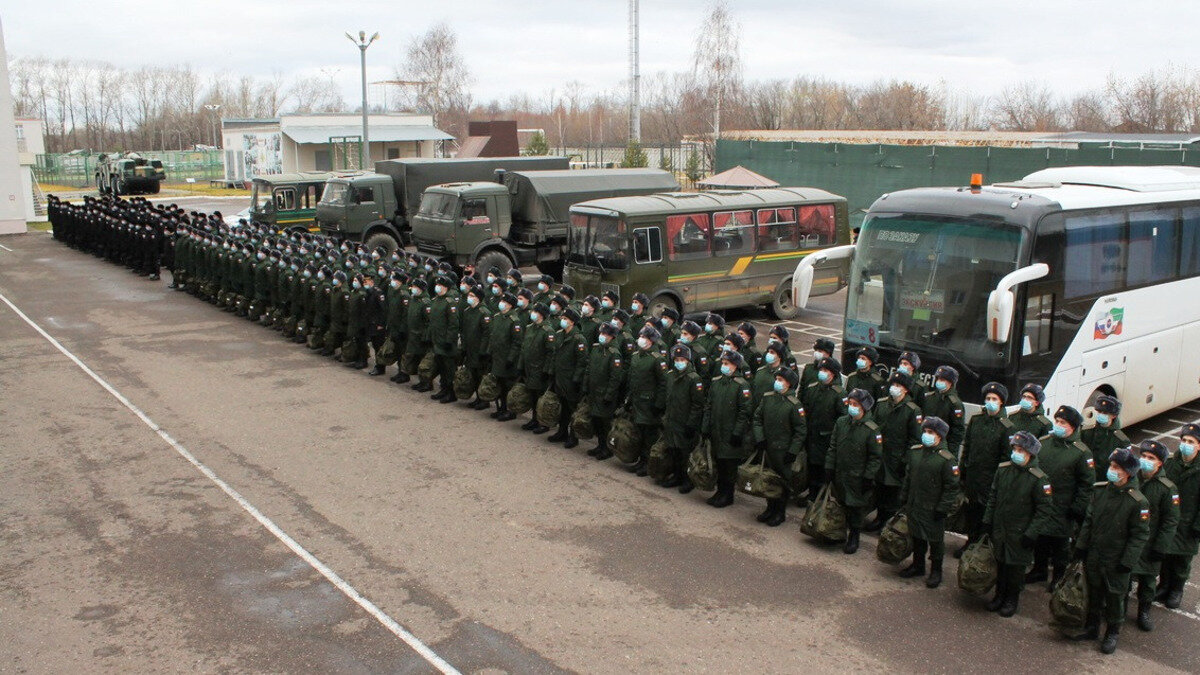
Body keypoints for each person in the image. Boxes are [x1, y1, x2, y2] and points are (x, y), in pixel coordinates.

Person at [1073, 447, 1150, 655]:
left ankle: (1113, 631)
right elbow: (1089, 520)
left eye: (1116, 467)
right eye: (1111, 465)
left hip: (1117, 559)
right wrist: (1081, 545)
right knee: (1094, 592)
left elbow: (1139, 535)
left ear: (1128, 472)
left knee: (1115, 596)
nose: (1111, 469)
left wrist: (1128, 561)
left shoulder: (1137, 501)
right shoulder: (1100, 490)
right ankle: (1091, 627)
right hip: (1096, 554)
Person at [982, 431, 1053, 617]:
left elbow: (1044, 510)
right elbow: (993, 496)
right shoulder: (1003, 469)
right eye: (1014, 448)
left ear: (1030, 453)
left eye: (1021, 449)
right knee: (1000, 564)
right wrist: (988, 520)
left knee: (1015, 569)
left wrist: (1031, 533)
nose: (1016, 453)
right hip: (1001, 528)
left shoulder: (1039, 479)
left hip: (1020, 532)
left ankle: (1011, 599)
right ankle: (999, 595)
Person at [1027, 404, 1094, 590]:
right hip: (1042, 502)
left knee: (1060, 545)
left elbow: (1086, 484)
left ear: (1073, 426)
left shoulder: (1081, 452)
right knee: (1040, 539)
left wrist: (1078, 507)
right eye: (1056, 421)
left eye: (1062, 422)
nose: (1057, 424)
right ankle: (1039, 570)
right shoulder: (1044, 443)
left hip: (1064, 505)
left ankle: (1058, 576)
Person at [898, 417, 961, 588]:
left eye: (931, 433)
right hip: (915, 503)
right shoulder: (916, 452)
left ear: (940, 436)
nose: (926, 435)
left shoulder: (947, 460)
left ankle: (936, 570)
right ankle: (918, 565)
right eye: (925, 432)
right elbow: (909, 477)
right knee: (917, 535)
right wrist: (904, 497)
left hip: (933, 507)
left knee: (935, 540)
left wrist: (942, 508)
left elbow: (951, 488)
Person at [957, 382, 1016, 556]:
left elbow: (1007, 459)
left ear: (1001, 402)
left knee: (985, 516)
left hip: (990, 480)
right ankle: (970, 541)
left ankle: (981, 548)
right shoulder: (976, 420)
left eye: (994, 399)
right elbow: (967, 447)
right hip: (973, 478)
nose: (990, 401)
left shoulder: (1007, 427)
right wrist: (963, 471)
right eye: (988, 398)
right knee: (971, 512)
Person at [826, 388, 883, 554]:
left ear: (864, 407)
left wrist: (868, 476)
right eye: (850, 404)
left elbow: (875, 457)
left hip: (858, 476)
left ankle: (854, 536)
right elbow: (833, 446)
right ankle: (838, 532)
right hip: (841, 472)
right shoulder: (841, 422)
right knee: (841, 503)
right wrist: (829, 466)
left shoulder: (872, 430)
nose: (851, 407)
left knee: (856, 508)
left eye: (855, 404)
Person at [1131, 440, 1179, 632]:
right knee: (1123, 577)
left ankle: (1144, 611)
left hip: (1151, 543)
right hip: (1131, 539)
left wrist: (1161, 547)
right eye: (1143, 456)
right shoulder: (1132, 477)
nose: (1145, 460)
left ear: (1160, 463)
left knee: (1148, 581)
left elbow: (1170, 521)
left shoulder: (1167, 489)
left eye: (1151, 458)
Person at [867, 371, 923, 532]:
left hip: (897, 458)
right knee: (880, 488)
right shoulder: (882, 403)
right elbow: (874, 427)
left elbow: (915, 439)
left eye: (898, 386)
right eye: (893, 384)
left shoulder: (912, 410)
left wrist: (905, 460)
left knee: (893, 493)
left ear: (905, 390)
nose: (894, 388)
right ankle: (879, 518)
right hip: (881, 454)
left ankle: (888, 523)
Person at [752, 366, 806, 526]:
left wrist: (793, 451)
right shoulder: (768, 397)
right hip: (768, 448)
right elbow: (757, 418)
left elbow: (801, 431)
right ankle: (770, 508)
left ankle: (779, 513)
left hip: (784, 451)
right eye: (776, 379)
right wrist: (760, 438)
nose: (777, 382)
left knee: (782, 482)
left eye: (780, 380)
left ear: (789, 384)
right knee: (768, 479)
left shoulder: (794, 405)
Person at [700, 351, 752, 509]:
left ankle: (727, 495)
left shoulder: (741, 385)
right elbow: (709, 406)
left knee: (729, 466)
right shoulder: (716, 382)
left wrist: (737, 432)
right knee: (719, 463)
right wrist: (705, 427)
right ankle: (720, 491)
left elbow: (745, 412)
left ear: (735, 366)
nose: (724, 366)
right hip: (717, 430)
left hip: (730, 433)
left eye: (727, 363)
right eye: (723, 363)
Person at [1157, 424, 1200, 610]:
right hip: (1169, 520)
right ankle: (1164, 585)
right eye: (1183, 440)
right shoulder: (1171, 462)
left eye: (1191, 442)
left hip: (1189, 523)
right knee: (1165, 555)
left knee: (1182, 560)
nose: (1185, 444)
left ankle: (1177, 590)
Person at [662, 344, 706, 492]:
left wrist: (691, 424)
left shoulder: (694, 379)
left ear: (688, 360)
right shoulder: (670, 375)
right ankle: (677, 476)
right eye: (676, 359)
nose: (679, 362)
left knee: (685, 453)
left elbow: (697, 405)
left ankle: (687, 479)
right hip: (672, 419)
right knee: (674, 450)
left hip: (685, 421)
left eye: (682, 359)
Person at [803, 357, 846, 502]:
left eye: (825, 370)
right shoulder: (812, 388)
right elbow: (806, 410)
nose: (822, 373)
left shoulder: (839, 394)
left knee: (823, 469)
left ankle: (821, 497)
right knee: (812, 467)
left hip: (826, 440)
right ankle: (812, 493)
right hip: (812, 436)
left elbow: (843, 419)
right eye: (820, 370)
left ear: (833, 374)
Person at [626, 326, 667, 475]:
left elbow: (663, 384)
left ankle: (648, 464)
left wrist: (659, 404)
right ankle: (641, 461)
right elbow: (632, 379)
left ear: (651, 341)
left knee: (649, 435)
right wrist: (629, 399)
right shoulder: (636, 356)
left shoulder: (657, 359)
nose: (641, 339)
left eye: (645, 337)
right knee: (640, 433)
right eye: (641, 336)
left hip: (650, 403)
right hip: (637, 401)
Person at [546, 308, 588, 449]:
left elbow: (582, 362)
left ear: (573, 322)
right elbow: (554, 355)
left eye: (565, 318)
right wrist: (551, 371)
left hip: (571, 380)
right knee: (562, 407)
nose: (562, 320)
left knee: (572, 408)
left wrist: (576, 378)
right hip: (560, 378)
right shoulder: (559, 335)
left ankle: (573, 436)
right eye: (562, 318)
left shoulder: (579, 339)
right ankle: (562, 431)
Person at [584, 323, 626, 461]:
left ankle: (607, 449)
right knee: (596, 421)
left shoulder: (614, 354)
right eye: (601, 333)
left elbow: (615, 378)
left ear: (612, 337)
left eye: (605, 334)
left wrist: (609, 395)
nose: (602, 336)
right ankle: (600, 445)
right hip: (594, 392)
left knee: (605, 423)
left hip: (605, 394)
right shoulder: (596, 348)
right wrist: (586, 386)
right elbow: (589, 368)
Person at [518, 303, 554, 434]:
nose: (532, 313)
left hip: (539, 368)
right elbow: (524, 348)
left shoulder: (547, 331)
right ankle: (534, 419)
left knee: (540, 397)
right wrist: (520, 365)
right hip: (529, 367)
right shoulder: (529, 328)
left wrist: (546, 370)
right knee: (532, 395)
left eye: (535, 311)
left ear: (541, 315)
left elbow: (551, 353)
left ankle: (543, 423)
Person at [486, 292, 523, 421]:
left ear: (510, 305)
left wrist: (511, 358)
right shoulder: (497, 317)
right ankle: (501, 408)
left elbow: (517, 343)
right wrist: (489, 351)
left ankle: (510, 411)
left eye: (505, 302)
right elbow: (493, 337)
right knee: (499, 384)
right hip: (497, 356)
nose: (501, 304)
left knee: (508, 386)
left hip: (507, 359)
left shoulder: (514, 321)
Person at [1081, 395, 1131, 481]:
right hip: (1087, 478)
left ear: (1114, 416)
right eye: (1099, 412)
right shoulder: (1087, 432)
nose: (1101, 415)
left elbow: (1125, 467)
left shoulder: (1121, 440)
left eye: (1105, 413)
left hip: (1105, 481)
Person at [428, 275, 462, 403]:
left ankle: (451, 393)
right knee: (441, 366)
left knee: (449, 369)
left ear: (446, 288)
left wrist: (449, 340)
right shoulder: (436, 300)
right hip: (437, 340)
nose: (437, 287)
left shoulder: (450, 302)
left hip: (446, 342)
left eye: (440, 285)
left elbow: (454, 324)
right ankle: (444, 389)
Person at [459, 285, 493, 409]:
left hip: (479, 350)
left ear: (478, 298)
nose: (469, 297)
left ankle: (484, 400)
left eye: (472, 296)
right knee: (472, 374)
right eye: (469, 295)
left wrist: (483, 350)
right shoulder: (467, 311)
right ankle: (477, 398)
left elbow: (487, 334)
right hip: (470, 349)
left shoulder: (484, 313)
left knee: (480, 375)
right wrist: (463, 346)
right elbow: (463, 330)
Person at [921, 366, 965, 455]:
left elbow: (957, 432)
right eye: (938, 379)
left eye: (943, 380)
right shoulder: (928, 398)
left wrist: (951, 453)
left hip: (942, 449)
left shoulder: (955, 404)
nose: (939, 382)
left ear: (951, 383)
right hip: (925, 444)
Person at [405, 278, 434, 392]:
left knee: (424, 361)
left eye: (415, 287)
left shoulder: (425, 302)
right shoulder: (414, 299)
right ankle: (421, 381)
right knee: (416, 359)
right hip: (413, 335)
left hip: (421, 336)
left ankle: (428, 383)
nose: (412, 289)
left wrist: (426, 336)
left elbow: (429, 322)